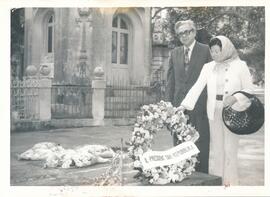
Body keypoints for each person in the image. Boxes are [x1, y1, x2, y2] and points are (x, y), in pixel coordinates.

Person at [180, 35, 254, 185]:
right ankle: (217, 183)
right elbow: (197, 87)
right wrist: (184, 105)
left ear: (226, 49)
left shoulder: (240, 66)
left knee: (230, 150)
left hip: (234, 112)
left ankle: (231, 184)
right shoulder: (208, 67)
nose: (214, 54)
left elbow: (249, 90)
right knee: (218, 150)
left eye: (217, 51)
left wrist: (235, 97)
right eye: (212, 51)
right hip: (213, 112)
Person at [166, 19, 212, 174]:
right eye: (180, 34)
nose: (183, 36)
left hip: (200, 106)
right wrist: (168, 106)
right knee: (179, 143)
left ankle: (201, 178)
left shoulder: (206, 50)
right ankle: (180, 174)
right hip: (179, 107)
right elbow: (170, 81)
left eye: (187, 32)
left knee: (200, 144)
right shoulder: (175, 53)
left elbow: (212, 80)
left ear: (194, 32)